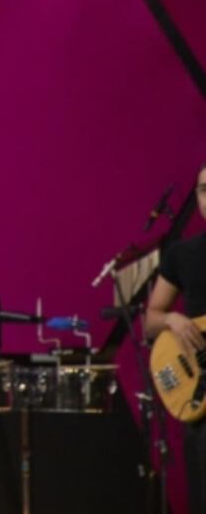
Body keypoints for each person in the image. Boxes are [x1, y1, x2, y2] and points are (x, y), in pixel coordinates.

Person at [145, 162, 206, 514]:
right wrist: (173, 319)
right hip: (198, 391)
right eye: (204, 190)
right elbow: (151, 321)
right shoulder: (182, 254)